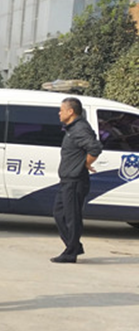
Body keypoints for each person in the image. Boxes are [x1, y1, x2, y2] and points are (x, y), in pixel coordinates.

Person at [51, 97, 102, 263]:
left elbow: (95, 148)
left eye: (61, 110)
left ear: (70, 111)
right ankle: (74, 245)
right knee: (59, 213)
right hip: (67, 180)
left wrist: (85, 164)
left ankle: (71, 252)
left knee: (71, 217)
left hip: (75, 180)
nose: (59, 113)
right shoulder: (72, 128)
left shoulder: (79, 129)